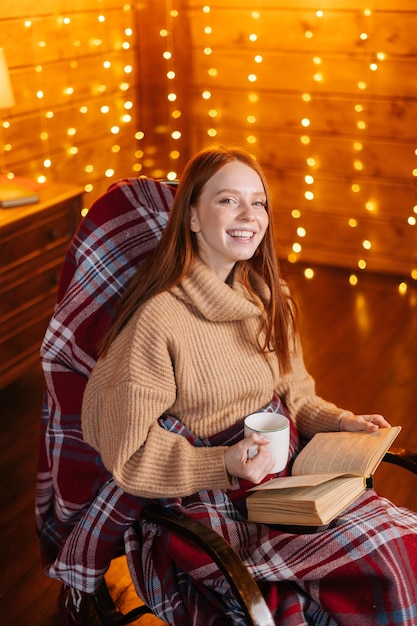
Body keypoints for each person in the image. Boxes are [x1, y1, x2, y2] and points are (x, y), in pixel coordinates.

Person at [55, 147, 417, 625]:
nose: (250, 215)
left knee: (403, 548)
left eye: (259, 202)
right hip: (208, 502)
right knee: (337, 587)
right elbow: (129, 452)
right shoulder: (159, 320)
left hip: (287, 481)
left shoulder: (271, 297)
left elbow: (298, 396)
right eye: (228, 200)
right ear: (192, 217)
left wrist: (342, 420)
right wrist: (223, 461)